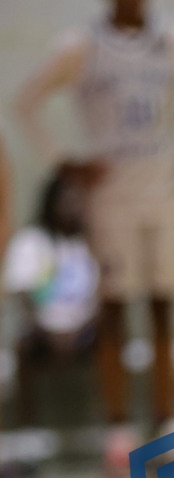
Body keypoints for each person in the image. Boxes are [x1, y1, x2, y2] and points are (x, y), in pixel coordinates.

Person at [16, 0, 174, 474]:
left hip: (164, 190)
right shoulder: (80, 46)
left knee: (164, 306)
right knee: (113, 310)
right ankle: (119, 428)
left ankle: (168, 422)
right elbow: (26, 102)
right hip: (110, 196)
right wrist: (65, 161)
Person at [2, 171, 99, 425]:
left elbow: (101, 295)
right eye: (66, 200)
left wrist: (80, 328)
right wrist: (49, 330)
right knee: (23, 347)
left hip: (84, 330)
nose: (72, 208)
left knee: (111, 340)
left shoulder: (88, 242)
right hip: (41, 330)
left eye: (77, 201)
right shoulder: (31, 241)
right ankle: (27, 424)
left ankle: (109, 421)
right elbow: (22, 295)